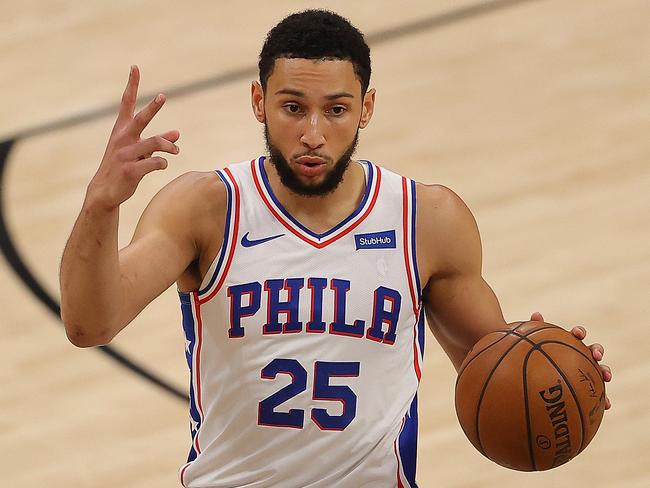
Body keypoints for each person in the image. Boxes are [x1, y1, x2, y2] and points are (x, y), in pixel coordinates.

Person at [59, 9, 612, 488]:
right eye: (293, 107)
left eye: (337, 110)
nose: (314, 134)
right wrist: (99, 206)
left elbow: (491, 361)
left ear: (366, 108)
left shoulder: (427, 220)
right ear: (259, 101)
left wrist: (560, 374)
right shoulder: (207, 208)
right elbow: (90, 324)